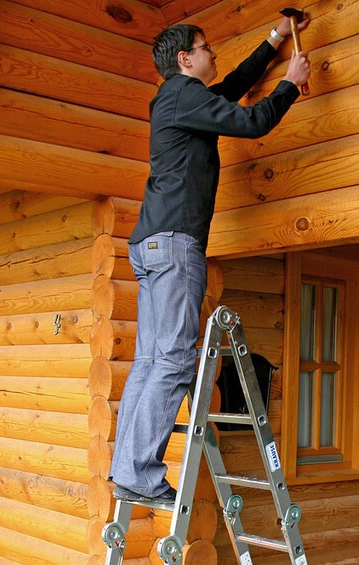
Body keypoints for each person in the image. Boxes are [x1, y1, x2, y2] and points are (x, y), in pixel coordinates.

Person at [109, 17, 311, 508]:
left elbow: (234, 86)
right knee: (174, 361)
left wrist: (274, 42)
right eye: (206, 48)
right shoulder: (182, 94)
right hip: (176, 244)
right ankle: (139, 473)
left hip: (153, 244)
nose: (213, 54)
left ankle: (127, 469)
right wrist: (290, 84)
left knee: (151, 361)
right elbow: (251, 120)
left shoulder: (178, 98)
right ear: (184, 59)